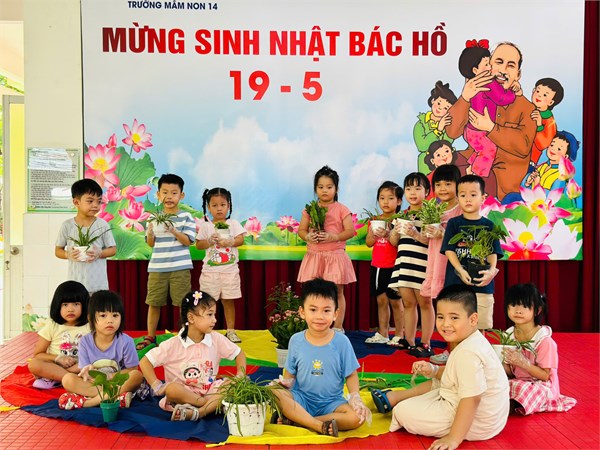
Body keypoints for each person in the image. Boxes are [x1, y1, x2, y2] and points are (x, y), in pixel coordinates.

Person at [371, 285, 509, 450]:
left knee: (402, 411)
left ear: (473, 320)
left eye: (454, 318)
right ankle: (395, 397)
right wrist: (433, 370)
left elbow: (472, 399)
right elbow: (454, 375)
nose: (446, 324)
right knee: (438, 383)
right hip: (487, 416)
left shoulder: (468, 353)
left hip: (477, 422)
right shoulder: (471, 340)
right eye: (441, 317)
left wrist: (453, 439)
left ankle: (398, 401)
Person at [270, 278, 370, 436]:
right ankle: (318, 425)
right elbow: (290, 372)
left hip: (332, 403)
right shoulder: (296, 340)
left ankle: (300, 420)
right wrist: (286, 384)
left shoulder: (342, 342)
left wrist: (355, 397)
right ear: (302, 312)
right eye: (313, 309)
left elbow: (351, 374)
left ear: (336, 314)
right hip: (301, 399)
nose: (319, 316)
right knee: (273, 392)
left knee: (357, 418)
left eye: (326, 311)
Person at [446, 42, 537, 201]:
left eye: (510, 65)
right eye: (498, 62)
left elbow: (523, 145)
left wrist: (491, 127)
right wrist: (465, 97)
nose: (503, 70)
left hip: (499, 184)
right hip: (470, 167)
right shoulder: (475, 92)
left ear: (518, 74)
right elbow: (452, 132)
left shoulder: (527, 108)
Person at [139, 290, 247, 421]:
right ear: (191, 318)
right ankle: (210, 405)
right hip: (184, 395)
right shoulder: (173, 344)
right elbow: (145, 361)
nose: (215, 320)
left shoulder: (216, 338)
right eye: (209, 314)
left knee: (233, 385)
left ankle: (199, 412)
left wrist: (240, 375)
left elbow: (239, 353)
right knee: (172, 389)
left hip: (210, 391)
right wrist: (157, 386)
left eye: (214, 314)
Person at [137, 174, 197, 351]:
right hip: (157, 267)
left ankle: (184, 336)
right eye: (165, 192)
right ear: (158, 195)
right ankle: (150, 336)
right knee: (153, 302)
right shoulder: (153, 217)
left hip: (180, 268)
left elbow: (188, 241)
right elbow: (150, 243)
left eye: (174, 193)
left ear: (181, 195)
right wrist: (149, 233)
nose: (169, 197)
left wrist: (173, 230)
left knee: (182, 304)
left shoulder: (186, 216)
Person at [59, 291, 143, 409]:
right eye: (103, 315)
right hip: (96, 384)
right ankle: (114, 398)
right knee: (67, 379)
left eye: (115, 315)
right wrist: (87, 372)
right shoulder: (84, 341)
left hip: (116, 383)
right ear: (91, 318)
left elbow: (132, 370)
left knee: (137, 376)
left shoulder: (126, 341)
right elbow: (85, 372)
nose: (110, 320)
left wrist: (109, 376)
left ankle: (90, 402)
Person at [297, 166, 356, 332]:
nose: (325, 190)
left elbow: (350, 231)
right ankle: (312, 326)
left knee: (337, 292)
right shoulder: (309, 210)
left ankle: (338, 328)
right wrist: (308, 236)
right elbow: (301, 230)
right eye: (320, 187)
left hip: (334, 257)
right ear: (315, 188)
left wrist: (333, 237)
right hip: (314, 256)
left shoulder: (342, 209)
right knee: (312, 292)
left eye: (329, 187)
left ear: (336, 188)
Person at [502, 283, 576, 415]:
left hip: (540, 385)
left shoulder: (545, 341)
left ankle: (512, 404)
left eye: (525, 306)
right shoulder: (508, 335)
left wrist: (523, 363)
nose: (518, 310)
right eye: (513, 305)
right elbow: (511, 373)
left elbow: (545, 375)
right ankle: (511, 403)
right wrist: (502, 363)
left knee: (521, 388)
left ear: (537, 310)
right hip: (518, 381)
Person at [411, 164, 462, 358]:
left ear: (458, 185)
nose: (442, 189)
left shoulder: (461, 209)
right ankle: (449, 350)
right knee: (444, 309)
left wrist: (443, 232)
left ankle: (457, 352)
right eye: (438, 185)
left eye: (448, 184)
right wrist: (415, 233)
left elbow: (464, 239)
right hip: (435, 263)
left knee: (455, 308)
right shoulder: (434, 209)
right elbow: (428, 240)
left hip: (451, 267)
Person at [442, 174, 502, 331]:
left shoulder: (489, 225)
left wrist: (491, 272)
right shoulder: (454, 223)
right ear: (458, 198)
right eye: (463, 195)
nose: (468, 199)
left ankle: (478, 348)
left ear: (483, 198)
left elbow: (493, 252)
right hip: (456, 284)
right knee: (453, 325)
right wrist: (460, 270)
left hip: (481, 284)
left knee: (480, 325)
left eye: (473, 195)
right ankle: (454, 348)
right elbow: (449, 250)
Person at [196, 187, 247, 343]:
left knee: (228, 301)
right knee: (208, 303)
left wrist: (230, 241)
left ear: (228, 206)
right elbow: (199, 245)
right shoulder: (206, 226)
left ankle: (230, 331)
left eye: (223, 205)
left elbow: (241, 240)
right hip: (210, 272)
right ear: (208, 207)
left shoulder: (233, 224)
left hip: (230, 272)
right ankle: (206, 331)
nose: (219, 209)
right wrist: (209, 241)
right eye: (215, 205)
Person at [388, 173, 430, 350]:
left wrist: (415, 233)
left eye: (417, 188)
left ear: (426, 192)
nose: (412, 192)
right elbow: (393, 242)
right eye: (408, 188)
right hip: (404, 264)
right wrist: (395, 231)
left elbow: (430, 241)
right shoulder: (402, 215)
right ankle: (410, 340)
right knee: (408, 304)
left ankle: (425, 343)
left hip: (422, 265)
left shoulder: (430, 214)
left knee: (425, 304)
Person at [55, 178, 116, 293]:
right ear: (76, 202)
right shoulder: (67, 225)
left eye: (99, 201)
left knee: (96, 305)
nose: (95, 205)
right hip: (75, 283)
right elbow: (58, 251)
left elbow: (113, 250)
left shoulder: (102, 224)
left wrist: (100, 253)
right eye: (90, 201)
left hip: (98, 284)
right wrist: (68, 254)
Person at [28, 281, 91, 389]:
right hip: (55, 366)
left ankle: (57, 379)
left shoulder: (90, 326)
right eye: (65, 305)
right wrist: (58, 358)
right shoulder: (52, 325)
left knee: (96, 363)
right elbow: (38, 354)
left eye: (76, 304)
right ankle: (72, 379)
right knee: (34, 364)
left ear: (84, 305)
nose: (70, 309)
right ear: (57, 306)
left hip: (79, 367)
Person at [364, 181, 404, 344]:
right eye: (382, 198)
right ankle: (383, 334)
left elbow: (396, 243)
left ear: (399, 201)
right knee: (381, 301)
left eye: (390, 198)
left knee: (396, 302)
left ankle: (399, 335)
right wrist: (372, 234)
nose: (385, 202)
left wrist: (389, 234)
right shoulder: (374, 220)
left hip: (394, 267)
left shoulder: (400, 221)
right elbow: (368, 243)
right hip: (377, 266)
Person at [414, 81, 458, 174]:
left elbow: (448, 143)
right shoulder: (421, 123)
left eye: (446, 108)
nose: (440, 109)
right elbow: (422, 146)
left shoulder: (448, 124)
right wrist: (438, 129)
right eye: (439, 103)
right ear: (433, 100)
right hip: (426, 166)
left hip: (445, 165)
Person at [529, 78, 564, 167]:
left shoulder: (549, 121)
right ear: (533, 90)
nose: (539, 96)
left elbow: (543, 144)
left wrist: (539, 126)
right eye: (537, 91)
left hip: (529, 158)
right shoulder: (527, 107)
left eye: (545, 95)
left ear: (551, 102)